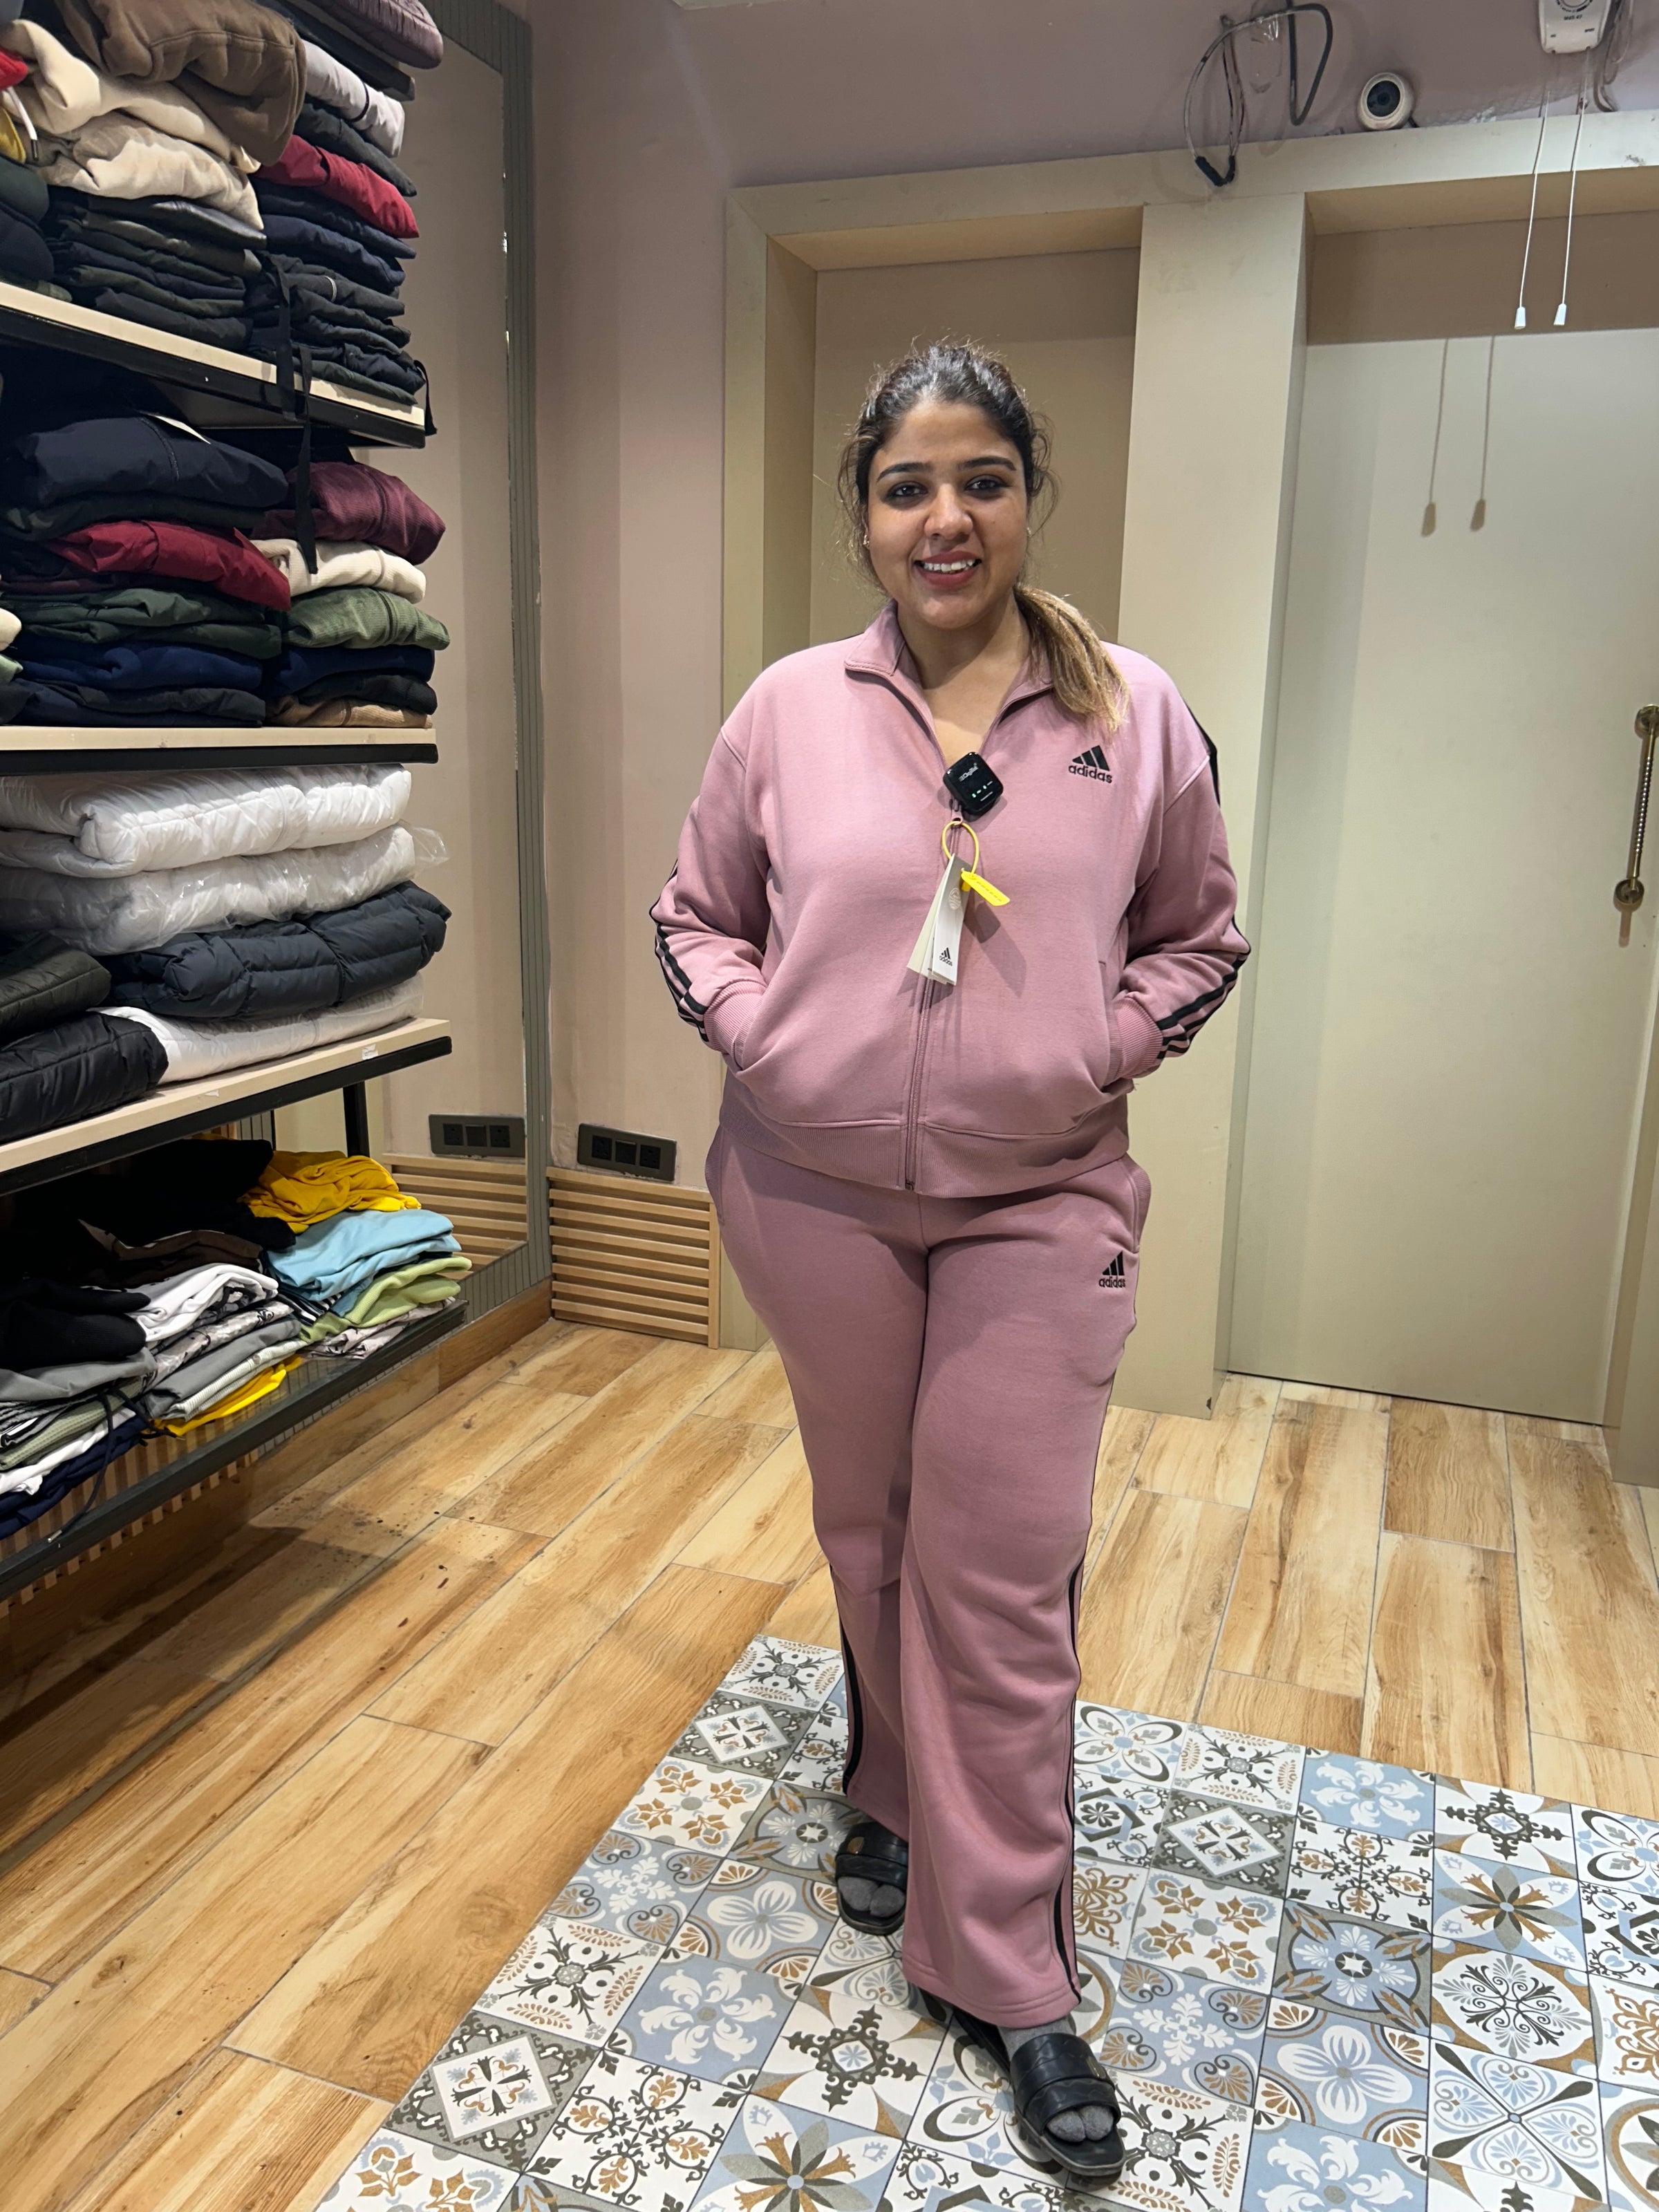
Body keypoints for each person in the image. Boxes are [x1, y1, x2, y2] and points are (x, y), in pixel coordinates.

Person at [650, 341, 1247, 2186]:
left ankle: (1012, 1973)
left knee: (998, 1572)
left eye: (981, 479)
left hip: (1039, 1196)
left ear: (1030, 496)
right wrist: (764, 1036)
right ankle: (890, 1791)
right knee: (875, 1527)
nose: (946, 518)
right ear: (864, 515)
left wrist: (1098, 1050)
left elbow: (1201, 936)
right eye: (908, 485)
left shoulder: (1129, 709)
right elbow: (696, 913)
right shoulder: (787, 709)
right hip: (812, 1189)